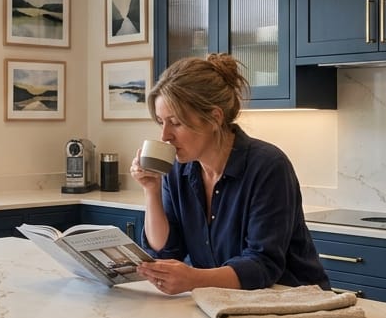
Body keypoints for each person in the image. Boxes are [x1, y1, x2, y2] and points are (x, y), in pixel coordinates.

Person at [129, 53, 330, 296]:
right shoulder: (177, 169)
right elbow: (166, 251)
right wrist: (151, 190)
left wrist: (194, 279)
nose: (165, 136)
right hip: (223, 302)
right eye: (161, 122)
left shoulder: (268, 166)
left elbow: (263, 264)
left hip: (294, 304)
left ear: (214, 118)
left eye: (176, 123)